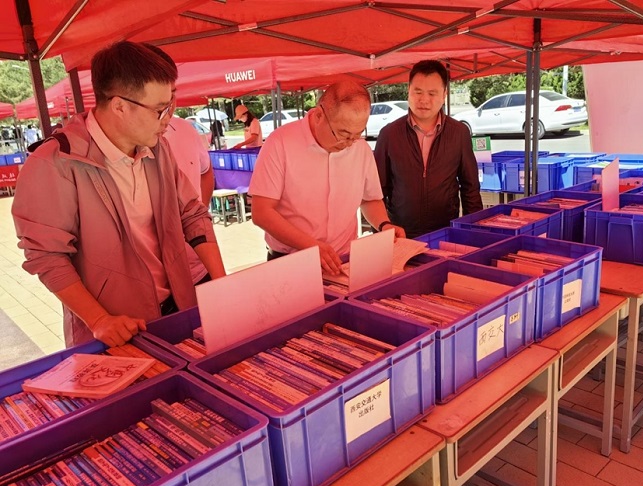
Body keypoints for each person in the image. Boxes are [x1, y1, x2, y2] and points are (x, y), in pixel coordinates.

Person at [11, 41, 226, 348]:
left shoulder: (157, 149)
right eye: (160, 110)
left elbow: (192, 214)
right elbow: (47, 257)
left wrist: (222, 284)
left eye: (170, 106)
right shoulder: (56, 162)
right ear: (119, 106)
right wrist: (99, 320)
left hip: (178, 307)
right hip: (114, 329)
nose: (168, 119)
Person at [250, 80, 405, 276]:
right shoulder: (280, 143)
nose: (349, 143)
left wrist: (384, 225)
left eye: (357, 134)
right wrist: (310, 245)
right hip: (290, 262)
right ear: (319, 115)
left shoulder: (360, 149)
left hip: (343, 260)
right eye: (343, 134)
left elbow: (370, 199)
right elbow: (262, 212)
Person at [374, 60, 483, 238]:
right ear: (408, 91)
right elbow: (377, 191)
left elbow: (470, 187)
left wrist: (474, 233)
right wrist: (382, 230)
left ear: (444, 94)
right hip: (401, 235)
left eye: (432, 93)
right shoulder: (389, 134)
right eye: (418, 92)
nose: (424, 100)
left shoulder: (459, 133)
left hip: (446, 233)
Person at [143, 43, 216, 287]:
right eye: (159, 102)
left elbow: (205, 173)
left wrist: (198, 212)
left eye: (173, 94)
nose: (169, 106)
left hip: (196, 265)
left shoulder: (185, 131)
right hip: (152, 281)